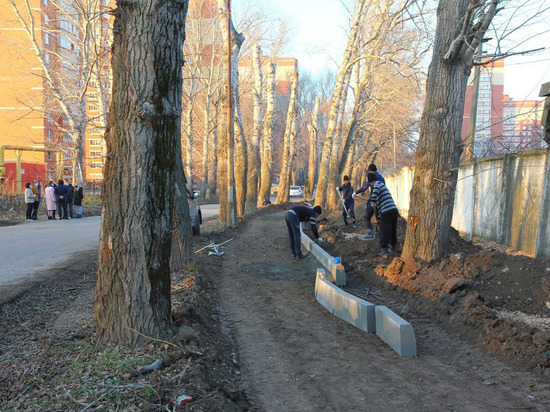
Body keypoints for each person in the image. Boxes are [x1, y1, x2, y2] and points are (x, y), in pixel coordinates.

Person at [367, 173, 398, 257]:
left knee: (384, 230)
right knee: (392, 229)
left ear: (370, 182)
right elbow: (380, 205)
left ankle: (384, 249)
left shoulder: (377, 184)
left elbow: (375, 193)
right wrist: (379, 218)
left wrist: (372, 201)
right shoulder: (382, 185)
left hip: (387, 211)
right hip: (393, 209)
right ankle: (393, 246)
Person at [353, 163, 385, 238]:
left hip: (373, 200)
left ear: (370, 170)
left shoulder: (372, 177)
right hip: (380, 201)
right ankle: (378, 234)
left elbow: (364, 187)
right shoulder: (382, 178)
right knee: (378, 217)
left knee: (367, 216)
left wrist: (356, 193)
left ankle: (370, 232)